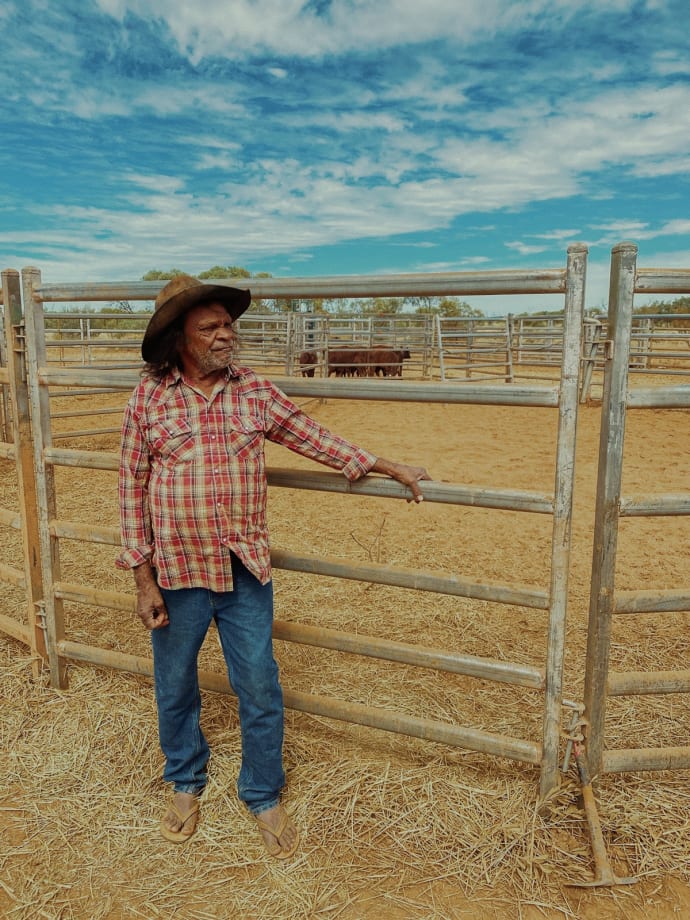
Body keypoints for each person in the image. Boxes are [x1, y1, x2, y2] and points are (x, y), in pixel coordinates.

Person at [117, 274, 431, 858]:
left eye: (227, 324)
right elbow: (132, 488)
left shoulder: (254, 391)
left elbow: (311, 435)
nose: (224, 335)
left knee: (259, 683)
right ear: (177, 337)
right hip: (177, 569)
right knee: (175, 683)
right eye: (208, 326)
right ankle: (184, 780)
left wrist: (385, 464)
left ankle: (263, 791)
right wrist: (143, 578)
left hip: (242, 571)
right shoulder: (149, 398)